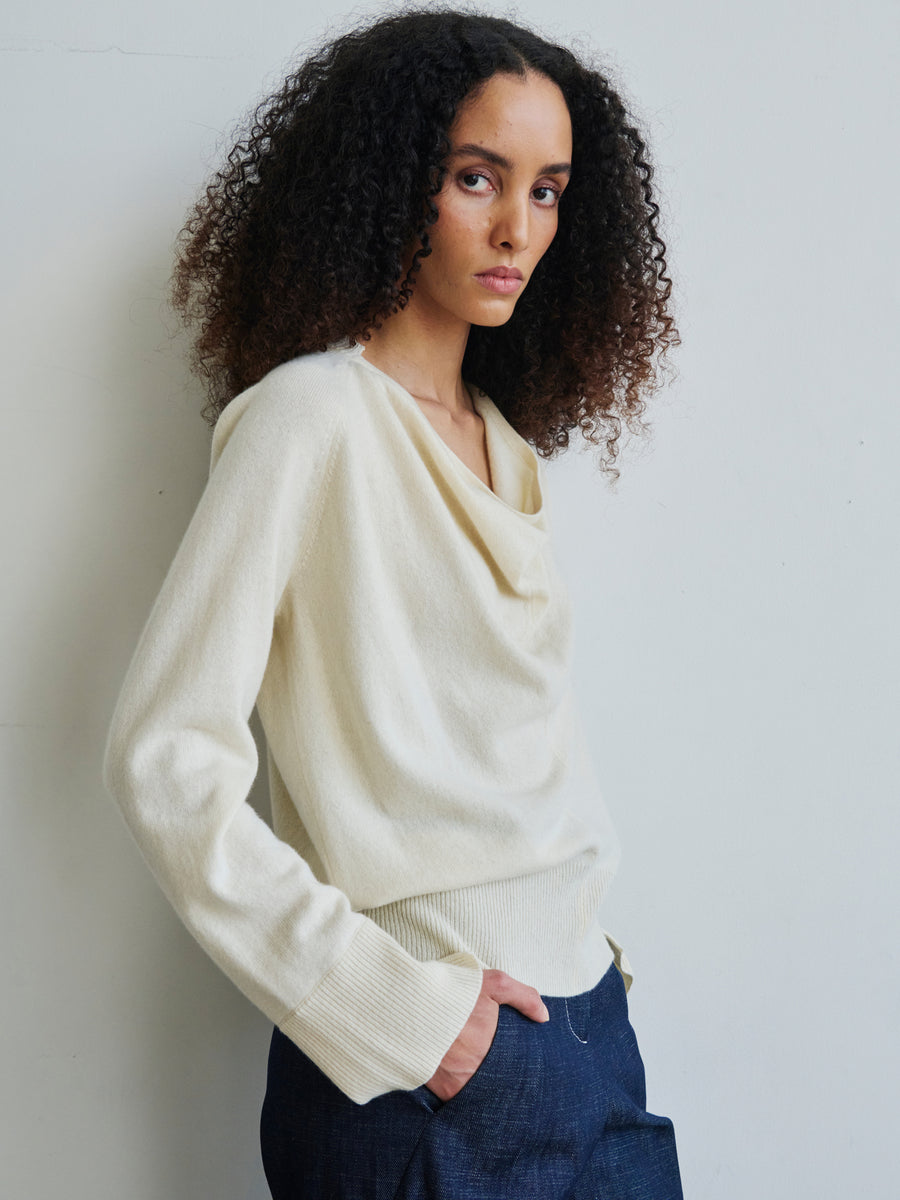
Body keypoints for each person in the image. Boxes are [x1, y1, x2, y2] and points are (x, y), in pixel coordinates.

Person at [103, 8, 681, 1198]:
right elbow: (164, 757)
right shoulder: (310, 419)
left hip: (590, 1039)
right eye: (477, 178)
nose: (519, 227)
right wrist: (397, 1010)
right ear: (388, 180)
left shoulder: (504, 446)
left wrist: (589, 973)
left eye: (550, 190)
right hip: (426, 1070)